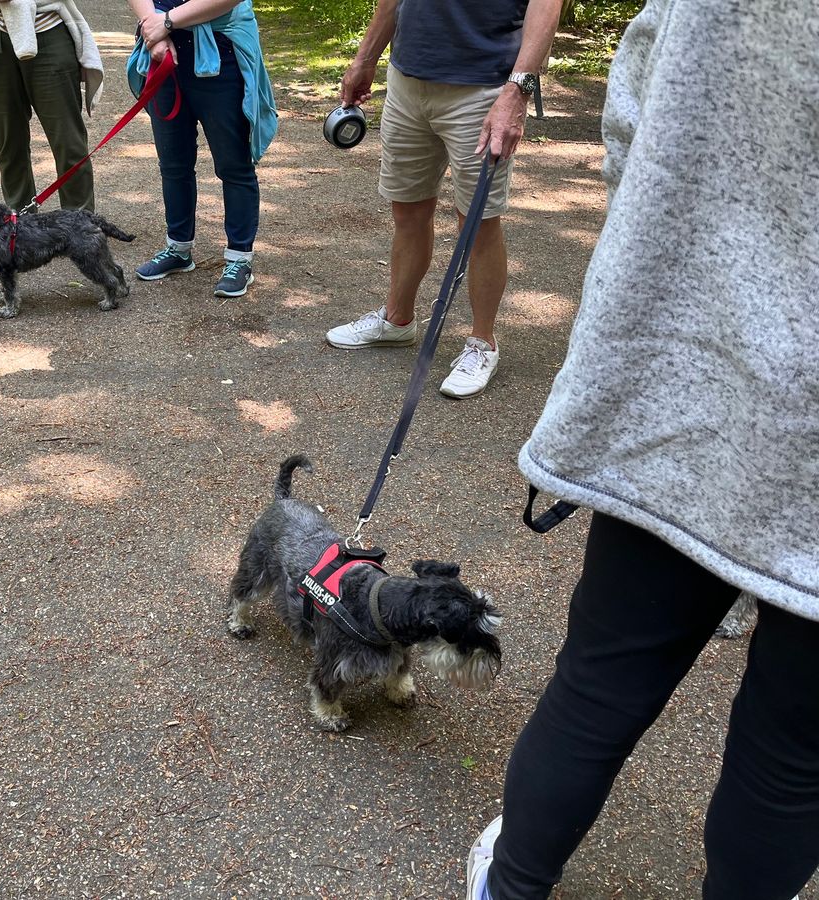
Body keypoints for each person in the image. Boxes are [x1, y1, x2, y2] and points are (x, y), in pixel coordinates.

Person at [463, 1, 819, 897]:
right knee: (793, 763)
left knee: (599, 687)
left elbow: (636, 97)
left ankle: (509, 887)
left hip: (685, 370)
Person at [325, 0, 559, 399]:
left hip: (484, 88)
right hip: (408, 81)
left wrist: (518, 91)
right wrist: (365, 58)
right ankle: (397, 322)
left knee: (478, 223)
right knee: (408, 208)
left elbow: (546, 5)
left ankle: (482, 343)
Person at [125, 0, 277, 299]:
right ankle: (179, 248)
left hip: (222, 50)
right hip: (161, 49)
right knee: (173, 163)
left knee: (234, 165)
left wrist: (165, 22)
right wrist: (152, 28)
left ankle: (239, 258)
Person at [0, 0, 104, 213]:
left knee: (69, 142)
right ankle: (21, 225)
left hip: (49, 30)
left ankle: (81, 226)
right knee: (9, 146)